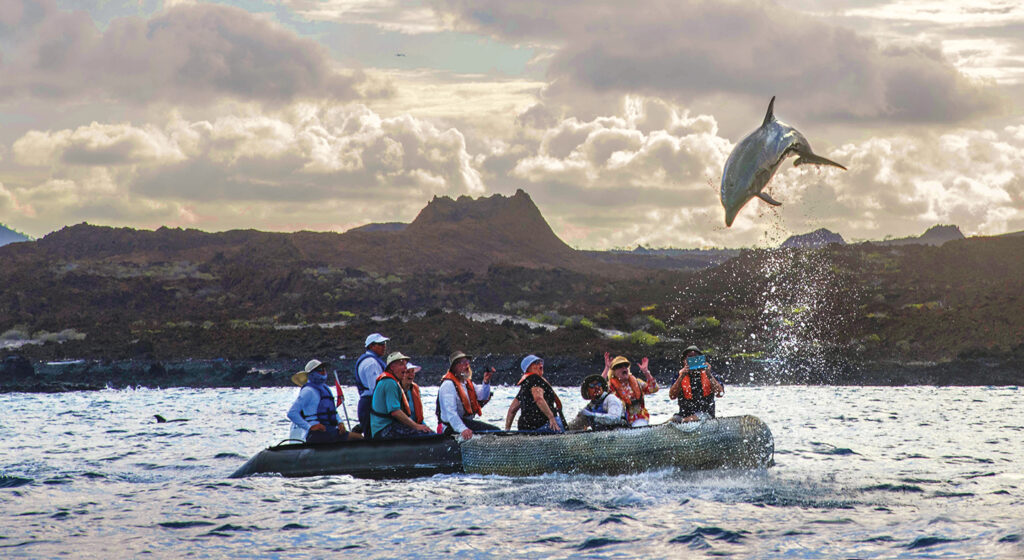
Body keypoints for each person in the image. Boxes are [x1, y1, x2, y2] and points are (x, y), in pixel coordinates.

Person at [286, 359, 358, 443]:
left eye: (324, 369)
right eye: (320, 370)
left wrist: (340, 422)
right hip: (317, 434)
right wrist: (309, 427)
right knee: (358, 438)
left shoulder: (326, 389)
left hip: (330, 430)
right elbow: (292, 413)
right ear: (312, 373)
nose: (323, 372)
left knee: (355, 437)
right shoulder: (308, 391)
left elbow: (333, 412)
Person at [436, 351, 499, 440]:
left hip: (465, 422)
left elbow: (483, 396)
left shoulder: (467, 383)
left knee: (496, 431)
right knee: (493, 432)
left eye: (467, 362)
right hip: (450, 427)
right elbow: (451, 413)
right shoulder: (448, 385)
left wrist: (486, 381)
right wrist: (463, 429)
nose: (467, 365)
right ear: (455, 367)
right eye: (462, 362)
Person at [370, 352, 433, 439]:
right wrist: (416, 426)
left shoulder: (391, 382)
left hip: (385, 428)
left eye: (405, 364)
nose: (405, 367)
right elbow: (395, 412)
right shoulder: (390, 383)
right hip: (384, 430)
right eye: (401, 364)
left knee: (426, 432)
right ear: (392, 367)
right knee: (424, 434)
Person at [504, 354, 565, 433]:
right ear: (528, 368)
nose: (540, 364)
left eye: (540, 362)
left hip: (526, 428)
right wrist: (551, 417)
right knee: (559, 424)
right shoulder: (535, 378)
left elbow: (512, 410)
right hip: (543, 425)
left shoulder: (524, 386)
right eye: (536, 362)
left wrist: (507, 430)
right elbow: (538, 399)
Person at [669, 345, 725, 423]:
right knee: (672, 421)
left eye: (696, 357)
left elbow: (720, 394)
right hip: (683, 415)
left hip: (706, 414)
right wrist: (681, 377)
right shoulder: (679, 375)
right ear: (684, 361)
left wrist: (709, 375)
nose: (693, 360)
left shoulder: (709, 373)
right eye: (690, 357)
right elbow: (672, 396)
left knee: (685, 420)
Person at [602, 353, 659, 427]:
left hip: (639, 419)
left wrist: (646, 372)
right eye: (619, 367)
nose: (624, 368)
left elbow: (654, 389)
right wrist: (607, 368)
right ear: (614, 371)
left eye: (625, 366)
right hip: (619, 421)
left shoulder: (638, 382)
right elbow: (599, 387)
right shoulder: (610, 386)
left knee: (639, 425)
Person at [354, 333, 389, 436]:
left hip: (369, 403)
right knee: (373, 436)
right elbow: (376, 389)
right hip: (370, 404)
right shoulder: (371, 363)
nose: (384, 346)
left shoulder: (370, 360)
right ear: (371, 346)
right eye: (381, 344)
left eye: (385, 343)